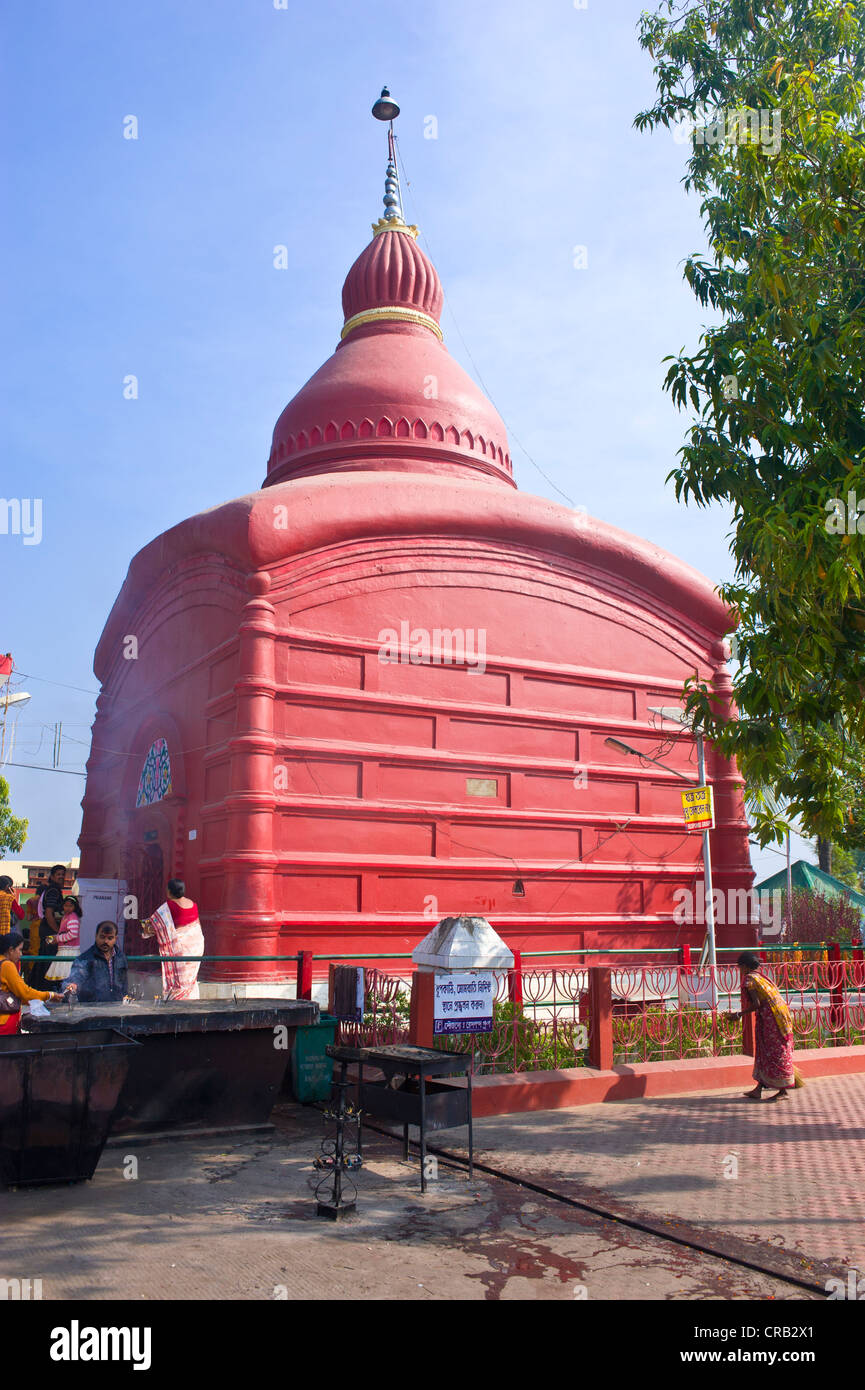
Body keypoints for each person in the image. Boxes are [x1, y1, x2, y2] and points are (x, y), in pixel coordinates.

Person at [738, 951, 805, 1101]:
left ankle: (783, 1091)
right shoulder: (762, 978)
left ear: (745, 967)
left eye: (740, 967)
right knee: (765, 1051)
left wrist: (739, 1015)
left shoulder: (750, 979)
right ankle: (759, 1089)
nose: (739, 970)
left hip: (771, 1021)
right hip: (779, 1018)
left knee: (774, 1053)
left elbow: (756, 1004)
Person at [140, 878, 204, 1000]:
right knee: (190, 979)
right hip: (196, 947)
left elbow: (152, 925)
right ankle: (191, 1000)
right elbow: (197, 926)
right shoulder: (193, 904)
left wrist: (143, 928)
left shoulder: (168, 907)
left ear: (169, 891)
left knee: (179, 982)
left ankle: (178, 1002)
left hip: (180, 949)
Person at [0, 930, 64, 1034]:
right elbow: (25, 993)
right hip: (5, 1023)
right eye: (19, 950)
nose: (21, 954)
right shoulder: (7, 965)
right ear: (11, 950)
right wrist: (49, 995)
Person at [64, 921, 129, 1003]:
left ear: (115, 938)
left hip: (117, 1007)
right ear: (96, 936)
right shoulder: (85, 958)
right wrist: (72, 986)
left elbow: (124, 985)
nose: (105, 941)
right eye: (102, 937)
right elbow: (76, 977)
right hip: (92, 1008)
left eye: (110, 938)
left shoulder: (121, 957)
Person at [30, 863, 67, 991]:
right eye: (58, 875)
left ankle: (36, 987)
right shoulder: (53, 891)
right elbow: (49, 913)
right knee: (49, 960)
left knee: (44, 958)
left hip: (46, 930)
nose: (61, 877)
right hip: (49, 932)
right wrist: (58, 932)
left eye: (63, 875)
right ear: (52, 876)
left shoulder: (52, 890)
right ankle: (44, 990)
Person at [45, 894, 81, 984]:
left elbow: (73, 934)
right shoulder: (66, 917)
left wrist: (57, 939)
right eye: (66, 906)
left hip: (69, 951)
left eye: (70, 906)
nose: (67, 908)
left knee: (66, 978)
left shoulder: (72, 917)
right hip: (64, 949)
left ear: (75, 907)